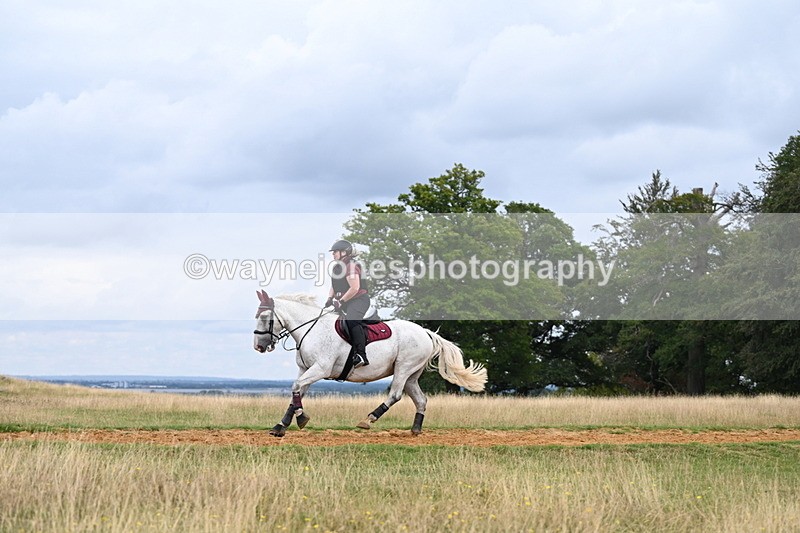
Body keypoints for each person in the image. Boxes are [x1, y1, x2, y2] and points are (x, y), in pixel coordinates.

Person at [325, 239, 370, 368]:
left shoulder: (351, 266)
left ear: (344, 252)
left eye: (335, 252)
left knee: (351, 321)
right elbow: (334, 285)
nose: (333, 255)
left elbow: (354, 288)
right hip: (344, 301)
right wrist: (329, 298)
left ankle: (361, 355)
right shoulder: (337, 267)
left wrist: (341, 301)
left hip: (358, 300)